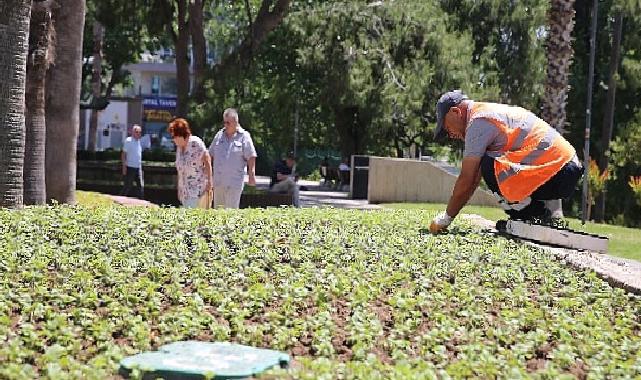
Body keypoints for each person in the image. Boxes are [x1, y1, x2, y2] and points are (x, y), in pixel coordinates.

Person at [429, 90, 583, 234]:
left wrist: (446, 218)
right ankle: (533, 214)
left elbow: (468, 178)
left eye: (447, 128)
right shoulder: (488, 112)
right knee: (488, 164)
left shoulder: (478, 122)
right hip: (566, 167)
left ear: (456, 112)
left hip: (560, 171)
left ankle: (531, 216)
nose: (450, 135)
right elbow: (473, 179)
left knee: (490, 165)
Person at [208, 108, 257, 209]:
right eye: (224, 122)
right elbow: (210, 155)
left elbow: (251, 156)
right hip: (219, 182)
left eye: (228, 123)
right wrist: (207, 175)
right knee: (219, 212)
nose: (225, 125)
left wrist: (251, 174)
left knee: (231, 212)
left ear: (236, 122)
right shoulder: (219, 135)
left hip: (234, 182)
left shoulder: (244, 136)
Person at [168, 118, 213, 208]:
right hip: (184, 192)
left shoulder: (195, 143)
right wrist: (179, 188)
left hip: (197, 190)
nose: (173, 140)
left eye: (174, 137)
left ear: (181, 134)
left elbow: (207, 160)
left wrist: (209, 181)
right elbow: (180, 170)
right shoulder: (179, 148)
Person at [121, 124, 144, 199]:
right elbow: (124, 154)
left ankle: (141, 201)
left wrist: (140, 168)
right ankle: (120, 199)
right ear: (132, 132)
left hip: (138, 168)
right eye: (136, 132)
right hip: (130, 167)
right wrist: (124, 167)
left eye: (140, 132)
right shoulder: (128, 140)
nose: (138, 133)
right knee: (127, 186)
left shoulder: (139, 142)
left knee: (140, 186)